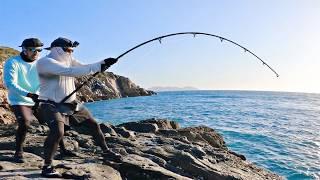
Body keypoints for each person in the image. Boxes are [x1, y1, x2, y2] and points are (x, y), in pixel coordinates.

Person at [37, 37, 121, 178]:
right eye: (68, 50)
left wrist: (103, 64)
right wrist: (98, 66)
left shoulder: (69, 59)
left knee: (94, 125)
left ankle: (106, 151)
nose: (70, 52)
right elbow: (70, 71)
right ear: (57, 49)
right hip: (50, 104)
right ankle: (47, 166)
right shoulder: (45, 62)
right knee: (57, 132)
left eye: (72, 50)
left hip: (71, 103)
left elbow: (82, 67)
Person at [3, 38, 43, 163]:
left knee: (55, 121)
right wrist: (29, 94)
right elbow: (10, 84)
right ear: (24, 50)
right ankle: (18, 152)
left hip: (37, 98)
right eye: (32, 50)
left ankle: (63, 149)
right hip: (19, 99)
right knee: (25, 123)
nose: (36, 53)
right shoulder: (13, 62)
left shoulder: (40, 64)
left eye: (39, 50)